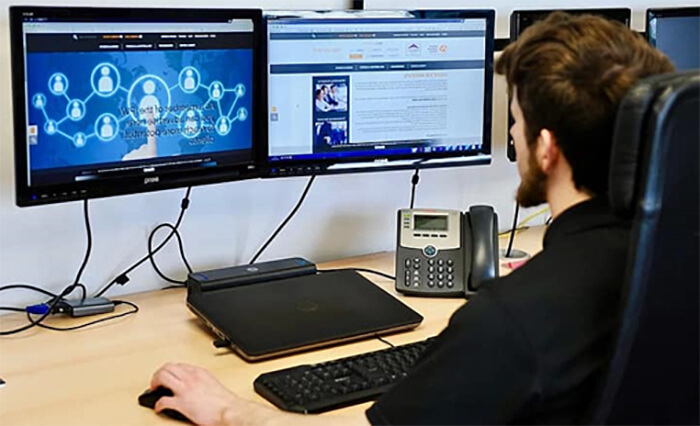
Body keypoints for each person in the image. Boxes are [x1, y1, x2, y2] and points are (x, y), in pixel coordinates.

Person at [148, 13, 674, 425]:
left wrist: (225, 409)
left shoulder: (512, 319)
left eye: (513, 121)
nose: (510, 134)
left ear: (546, 148)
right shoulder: (673, 260)